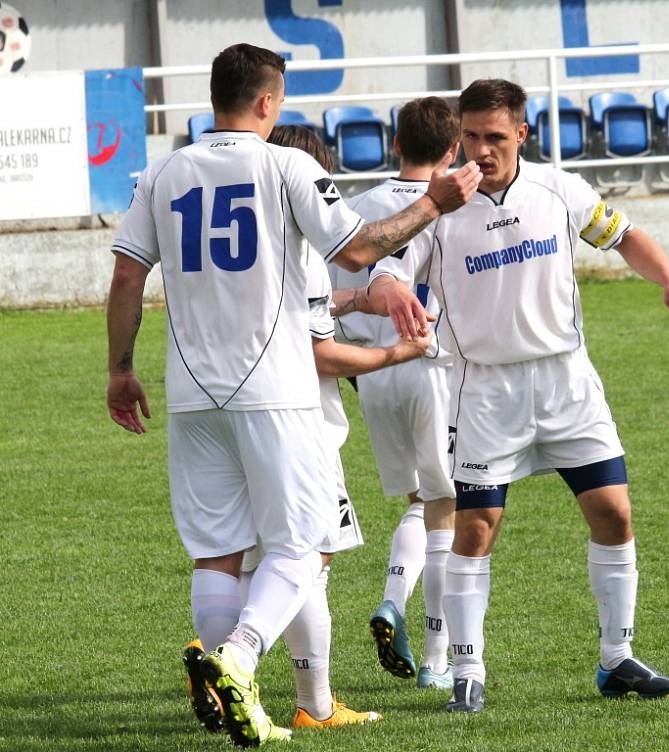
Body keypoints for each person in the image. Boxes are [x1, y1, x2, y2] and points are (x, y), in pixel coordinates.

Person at [105, 43, 480, 747]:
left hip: (190, 393)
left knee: (217, 552)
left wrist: (120, 369)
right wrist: (435, 200)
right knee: (305, 546)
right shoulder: (286, 166)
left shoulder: (161, 173)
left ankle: (228, 699)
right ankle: (240, 660)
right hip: (275, 387)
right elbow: (360, 248)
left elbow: (128, 277)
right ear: (269, 103)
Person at [368, 78, 669, 713]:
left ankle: (617, 659)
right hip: (486, 391)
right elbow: (386, 267)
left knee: (614, 513)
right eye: (469, 137)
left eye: (495, 137)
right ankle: (468, 673)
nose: (481, 150)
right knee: (476, 527)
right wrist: (392, 293)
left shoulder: (559, 189)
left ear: (522, 134)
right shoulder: (437, 205)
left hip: (566, 381)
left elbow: (625, 234)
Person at [180, 124, 438, 733]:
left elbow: (303, 310)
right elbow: (318, 352)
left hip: (213, 406)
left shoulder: (238, 240)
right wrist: (396, 355)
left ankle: (225, 679)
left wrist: (361, 300)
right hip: (300, 424)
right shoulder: (304, 249)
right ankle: (308, 701)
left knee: (241, 558)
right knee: (308, 558)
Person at [329, 97, 461, 690]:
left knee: (416, 500)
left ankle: (393, 604)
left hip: (375, 371)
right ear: (454, 151)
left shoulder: (361, 210)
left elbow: (332, 297)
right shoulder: (462, 207)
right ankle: (435, 658)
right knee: (445, 508)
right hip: (436, 367)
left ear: (396, 144)